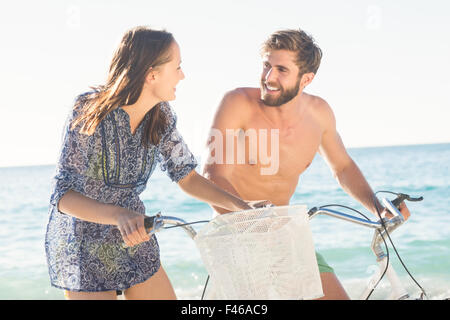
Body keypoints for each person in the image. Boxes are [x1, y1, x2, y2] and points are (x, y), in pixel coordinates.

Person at [44, 26, 265, 300]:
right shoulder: (89, 111)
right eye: (178, 67)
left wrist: (241, 208)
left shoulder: (161, 117)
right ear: (152, 75)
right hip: (83, 241)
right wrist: (118, 215)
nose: (183, 75)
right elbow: (62, 195)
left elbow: (188, 177)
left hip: (134, 232)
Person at [202, 29, 411, 300]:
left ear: (307, 79)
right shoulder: (237, 103)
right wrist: (247, 215)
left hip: (286, 234)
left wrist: (376, 205)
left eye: (281, 70)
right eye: (266, 66)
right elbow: (212, 173)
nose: (269, 77)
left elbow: (343, 167)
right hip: (235, 234)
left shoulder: (319, 114)